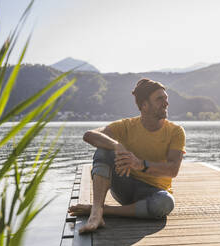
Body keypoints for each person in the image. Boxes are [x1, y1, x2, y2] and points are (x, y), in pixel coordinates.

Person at [68, 78, 186, 233]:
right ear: (144, 105)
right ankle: (96, 213)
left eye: (166, 98)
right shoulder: (126, 126)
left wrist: (140, 164)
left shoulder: (176, 131)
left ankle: (103, 210)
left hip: (154, 192)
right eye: (159, 99)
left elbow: (173, 170)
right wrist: (116, 145)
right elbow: (89, 135)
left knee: (165, 203)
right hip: (125, 186)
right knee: (104, 149)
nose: (166, 103)